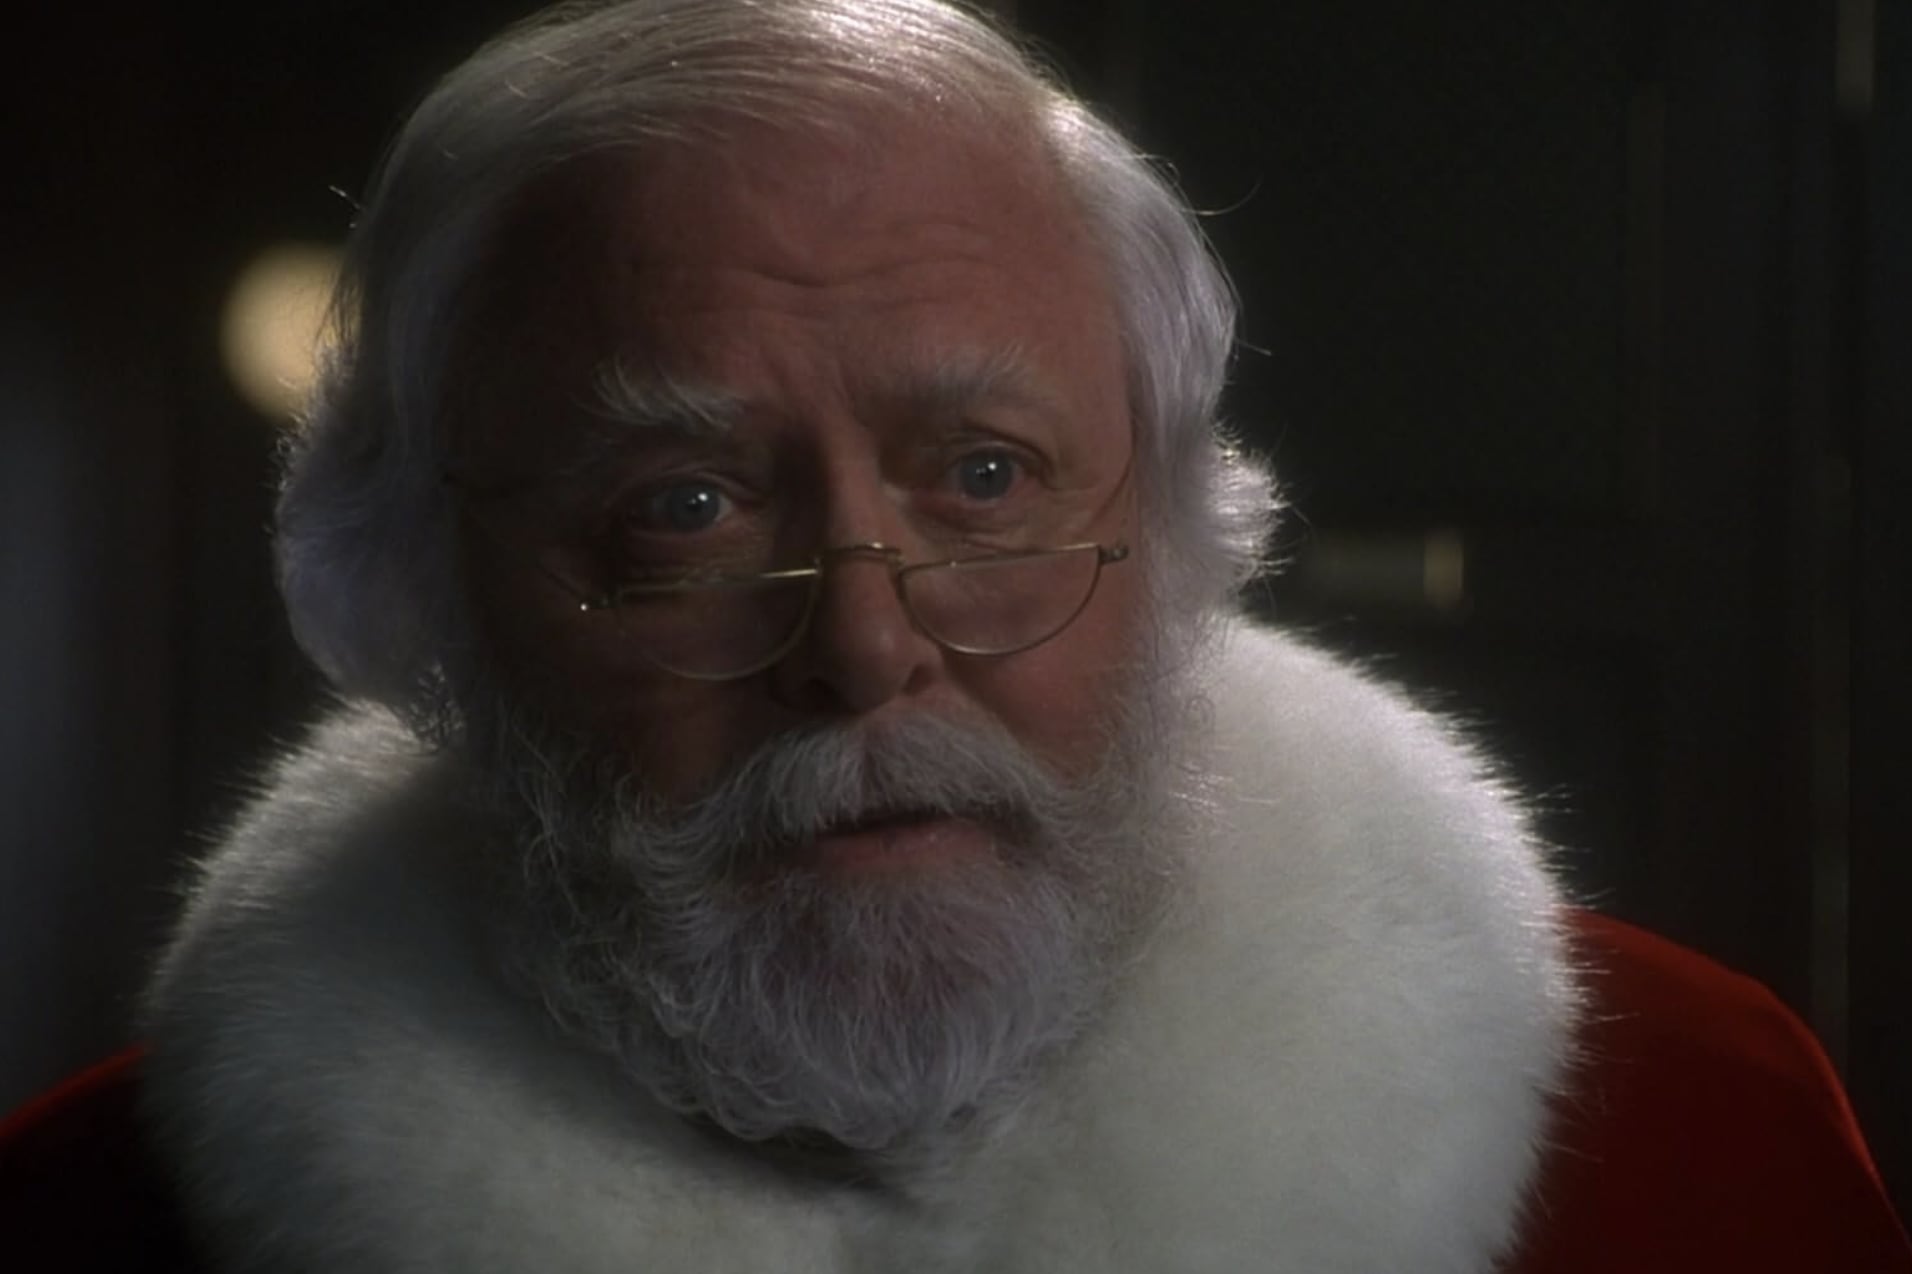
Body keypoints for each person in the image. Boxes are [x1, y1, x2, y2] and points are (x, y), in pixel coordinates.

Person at [2, 0, 1906, 1269]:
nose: (862, 645)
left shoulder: (1703, 1144)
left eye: (986, 476)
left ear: (1175, 537)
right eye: (684, 507)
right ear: (422, 598)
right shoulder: (90, 1223)